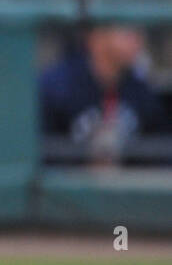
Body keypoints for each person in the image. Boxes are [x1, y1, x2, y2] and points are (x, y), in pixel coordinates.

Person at [39, 24, 166, 166]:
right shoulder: (55, 88)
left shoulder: (141, 91)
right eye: (126, 29)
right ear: (95, 36)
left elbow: (159, 160)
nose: (137, 38)